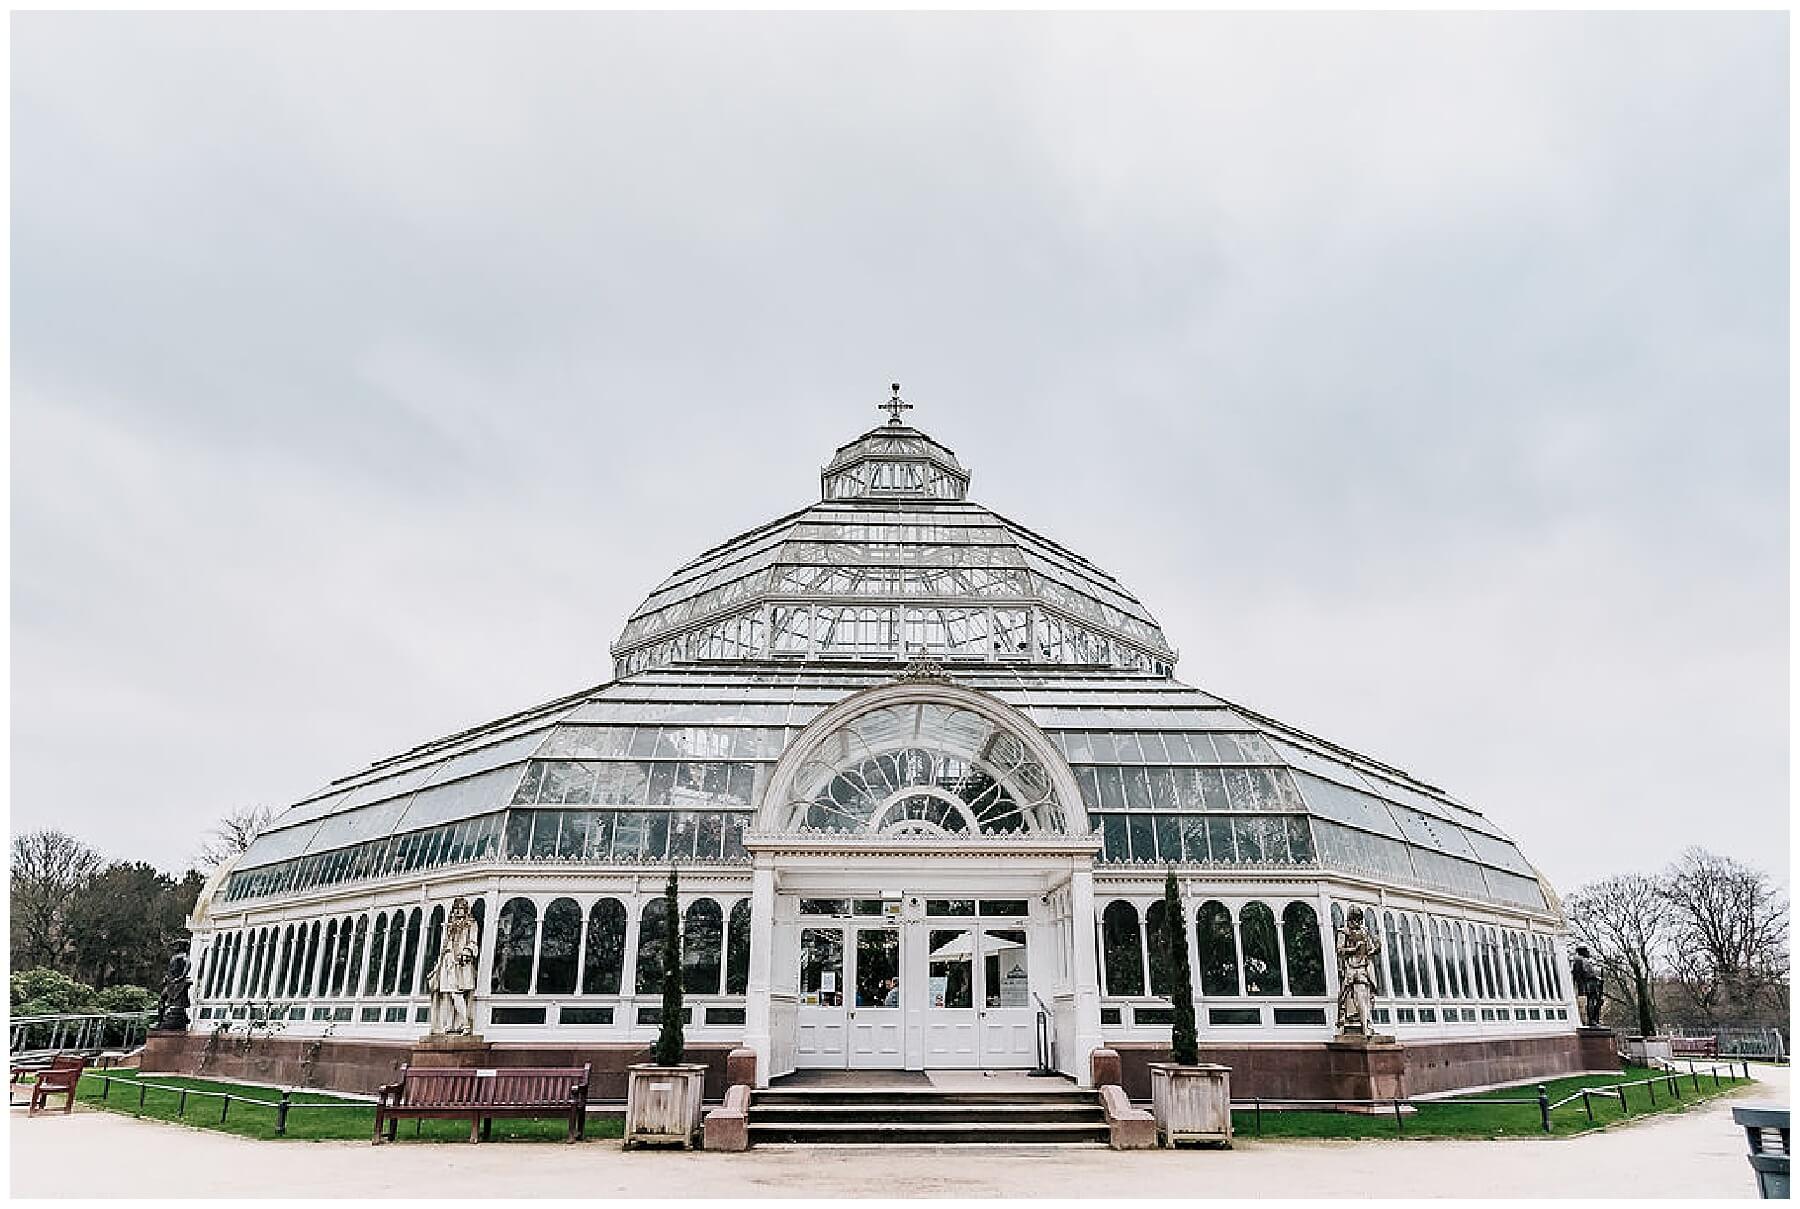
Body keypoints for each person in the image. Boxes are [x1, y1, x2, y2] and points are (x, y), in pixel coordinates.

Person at [427, 897, 480, 1035]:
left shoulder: (471, 924)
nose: (458, 911)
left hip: (461, 963)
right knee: (446, 994)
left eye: (460, 908)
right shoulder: (451, 926)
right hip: (447, 961)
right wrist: (438, 966)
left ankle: (465, 1024)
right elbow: (444, 946)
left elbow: (473, 942)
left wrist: (467, 951)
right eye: (456, 908)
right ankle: (449, 1024)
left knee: (456, 993)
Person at [1335, 906, 1382, 1036]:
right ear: (1349, 920)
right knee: (1359, 996)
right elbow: (1339, 950)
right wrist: (1354, 949)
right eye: (1353, 921)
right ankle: (1365, 1026)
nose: (1356, 924)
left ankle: (1366, 1025)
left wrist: (1376, 949)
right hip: (1351, 969)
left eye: (1358, 920)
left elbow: (1369, 950)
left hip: (1364, 968)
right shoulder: (1343, 932)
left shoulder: (1364, 931)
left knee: (1367, 997)